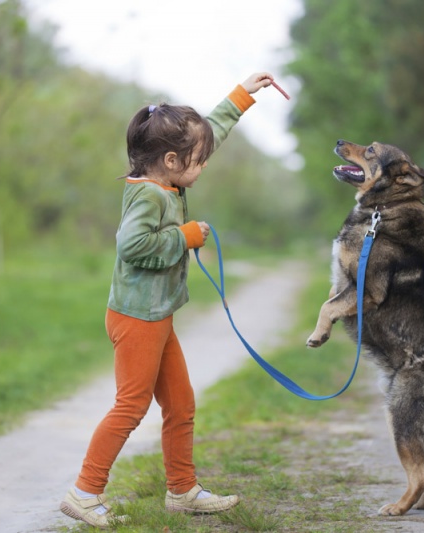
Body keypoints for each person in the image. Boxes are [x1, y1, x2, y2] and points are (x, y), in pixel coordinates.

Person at [60, 72, 276, 529]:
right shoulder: (148, 197)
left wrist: (241, 96)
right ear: (173, 160)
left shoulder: (168, 178)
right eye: (198, 161)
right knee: (130, 407)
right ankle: (84, 492)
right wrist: (185, 235)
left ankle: (182, 491)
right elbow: (131, 247)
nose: (204, 165)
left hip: (156, 317)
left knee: (181, 405)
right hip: (137, 320)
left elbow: (207, 132)